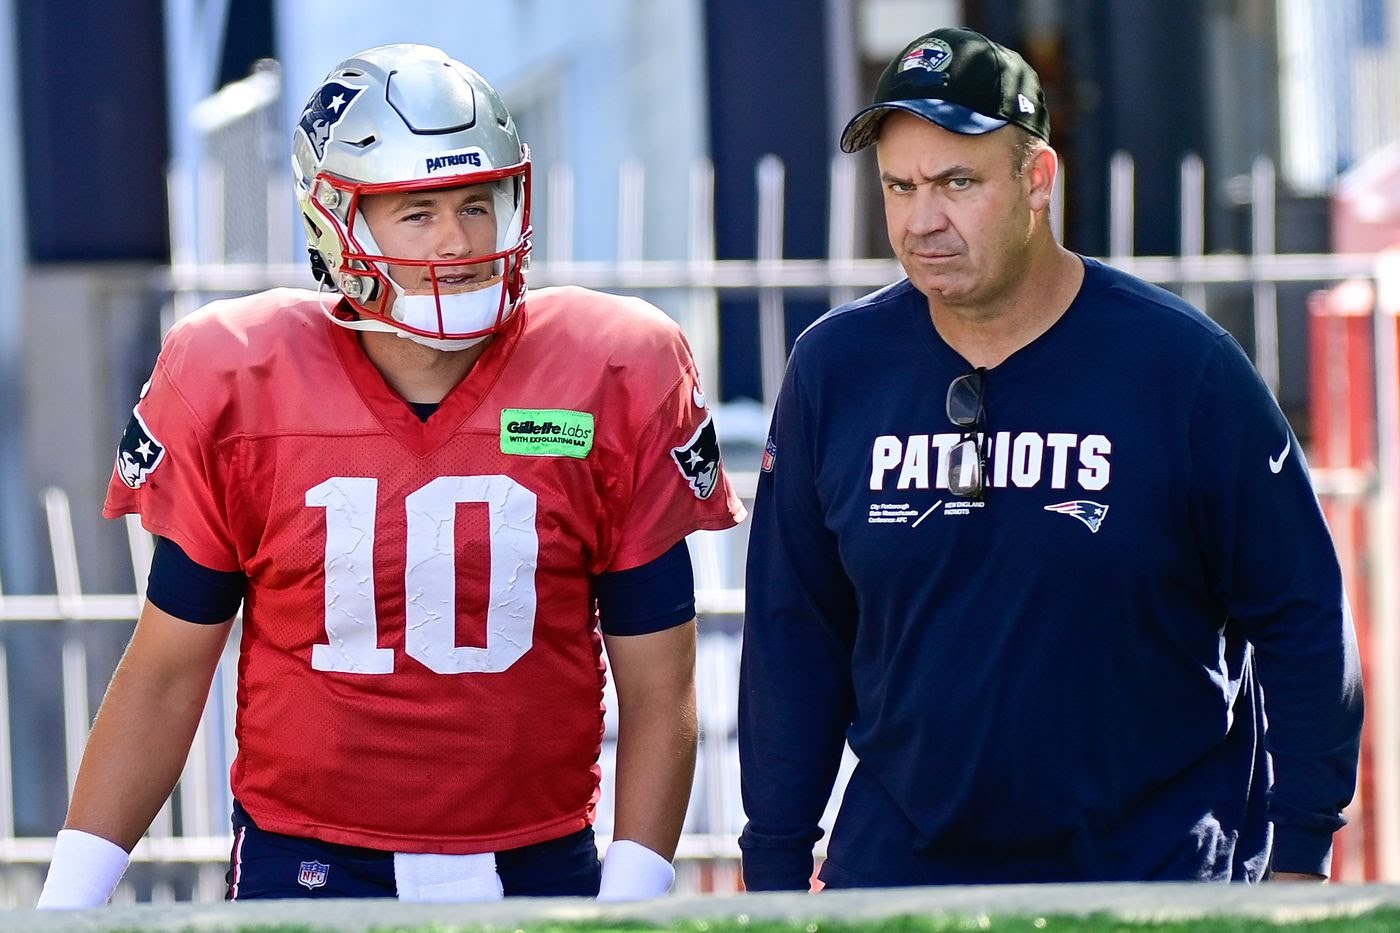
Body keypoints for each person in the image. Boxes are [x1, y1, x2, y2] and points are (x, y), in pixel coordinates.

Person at [38, 43, 745, 907]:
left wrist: (632, 894)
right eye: (416, 213)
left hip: (537, 864)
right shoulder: (235, 374)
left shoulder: (615, 367)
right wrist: (66, 904)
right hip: (310, 869)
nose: (459, 243)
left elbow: (660, 672)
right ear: (336, 223)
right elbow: (168, 669)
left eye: (478, 204)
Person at [737, 25, 1362, 890]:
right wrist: (773, 865)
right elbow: (791, 637)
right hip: (902, 883)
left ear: (1037, 179)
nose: (923, 220)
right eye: (900, 186)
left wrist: (1300, 854)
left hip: (1151, 882)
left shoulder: (1183, 369)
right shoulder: (834, 369)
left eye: (958, 182)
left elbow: (1302, 616)